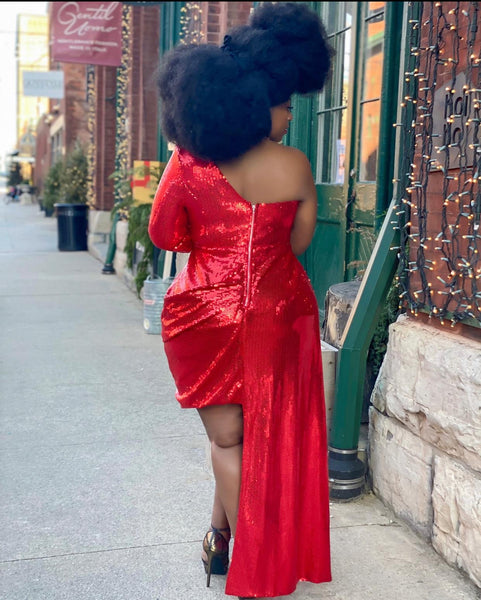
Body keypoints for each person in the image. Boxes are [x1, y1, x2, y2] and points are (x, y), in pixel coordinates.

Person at [148, 3, 334, 598]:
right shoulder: (296, 165)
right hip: (281, 315)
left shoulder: (189, 164)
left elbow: (164, 235)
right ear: (257, 105)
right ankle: (248, 548)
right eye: (285, 104)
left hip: (205, 312)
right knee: (264, 438)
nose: (289, 114)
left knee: (229, 440)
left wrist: (208, 235)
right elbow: (298, 243)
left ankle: (237, 549)